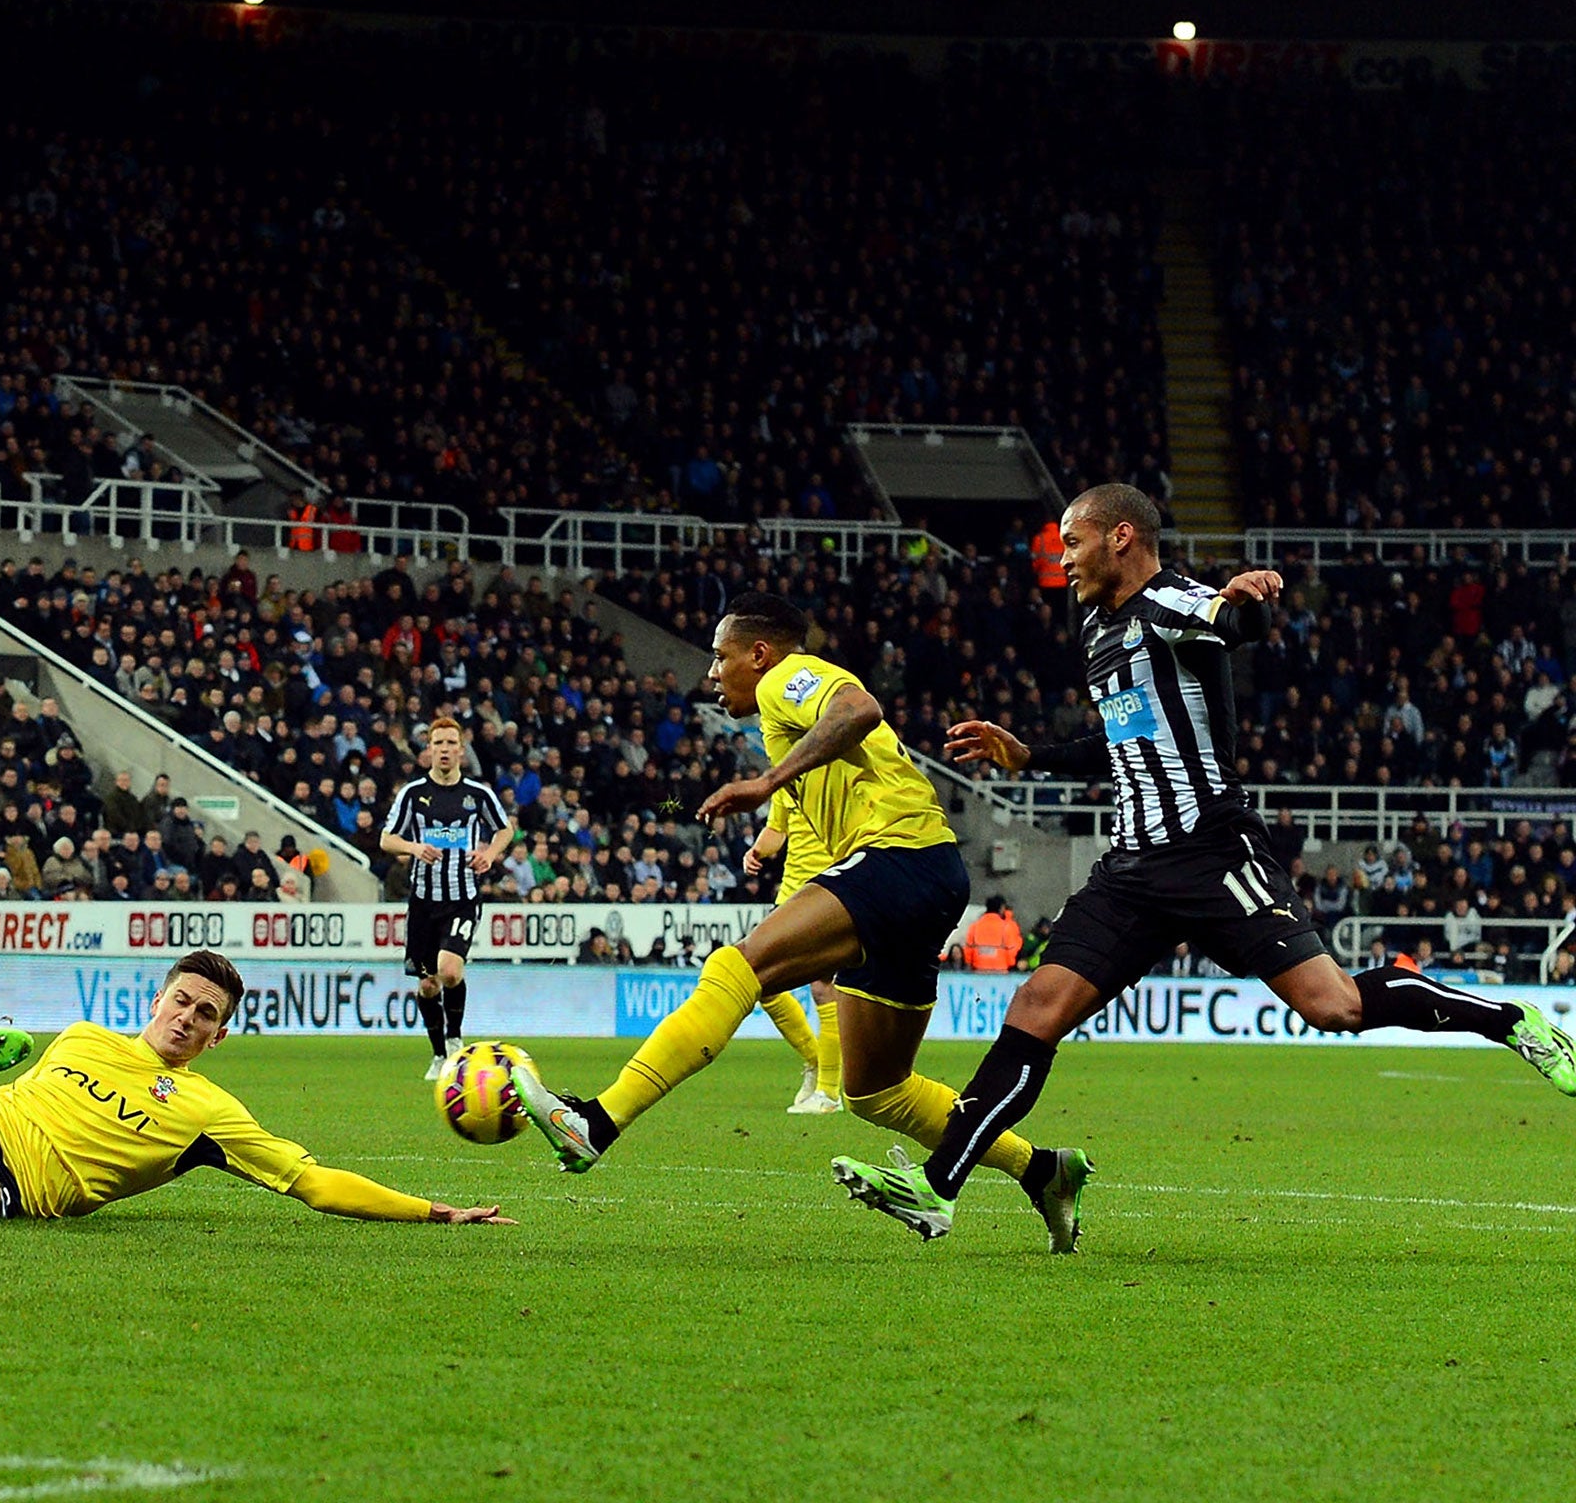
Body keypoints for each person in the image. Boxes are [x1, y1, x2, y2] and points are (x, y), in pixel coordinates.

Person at [859, 482, 1576, 1243]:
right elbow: (1130, 739)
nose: (1061, 558)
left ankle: (1510, 1019)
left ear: (1122, 537)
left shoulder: (1171, 601)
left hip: (1210, 851)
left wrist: (1249, 598)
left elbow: (1229, 623)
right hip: (1131, 867)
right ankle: (937, 1190)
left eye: (1071, 542)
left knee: (1334, 1006)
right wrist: (1033, 754)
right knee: (1035, 1010)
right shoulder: (1100, 630)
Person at [508, 591, 1091, 1253]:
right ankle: (1045, 1170)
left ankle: (597, 1122)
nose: (712, 674)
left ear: (759, 654)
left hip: (900, 858)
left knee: (740, 966)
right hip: (928, 876)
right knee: (878, 1093)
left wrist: (765, 784)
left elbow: (858, 707)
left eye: (720, 658)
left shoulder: (788, 676)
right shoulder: (782, 713)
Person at [0, 950, 514, 1228]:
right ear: (158, 998)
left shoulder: (209, 1114)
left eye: (205, 1014)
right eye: (180, 999)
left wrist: (436, 1211)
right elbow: (12, 1102)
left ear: (220, 1037)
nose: (186, 1017)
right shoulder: (82, 1037)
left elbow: (312, 1182)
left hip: (18, 1185)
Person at [378, 717, 515, 1079]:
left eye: (450, 743)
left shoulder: (478, 794)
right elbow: (386, 839)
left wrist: (490, 855)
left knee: (450, 970)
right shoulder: (413, 794)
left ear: (460, 749)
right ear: (429, 749)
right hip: (423, 902)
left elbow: (505, 828)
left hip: (462, 898)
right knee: (427, 984)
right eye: (437, 743)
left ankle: (455, 1041)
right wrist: (413, 847)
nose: (443, 749)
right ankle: (439, 1055)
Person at [742, 784, 843, 1114]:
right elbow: (777, 829)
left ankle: (829, 1093)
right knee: (759, 982)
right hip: (790, 896)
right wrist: (756, 851)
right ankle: (816, 1060)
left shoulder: (842, 774)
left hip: (830, 892)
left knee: (822, 986)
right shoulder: (788, 779)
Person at [963, 894, 1022, 972]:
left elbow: (968, 950)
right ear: (1001, 908)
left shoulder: (974, 927)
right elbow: (1012, 950)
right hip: (1000, 970)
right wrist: (1010, 963)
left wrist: (970, 963)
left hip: (979, 970)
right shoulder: (1006, 927)